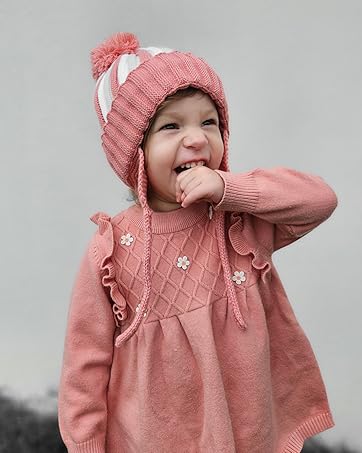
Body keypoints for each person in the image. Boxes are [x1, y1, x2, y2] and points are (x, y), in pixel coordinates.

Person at [58, 32, 338, 453]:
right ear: (135, 153)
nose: (196, 138)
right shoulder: (111, 249)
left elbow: (320, 200)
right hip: (154, 438)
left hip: (249, 426)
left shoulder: (237, 218)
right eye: (171, 126)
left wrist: (229, 188)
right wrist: (87, 445)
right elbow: (84, 367)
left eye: (209, 122)